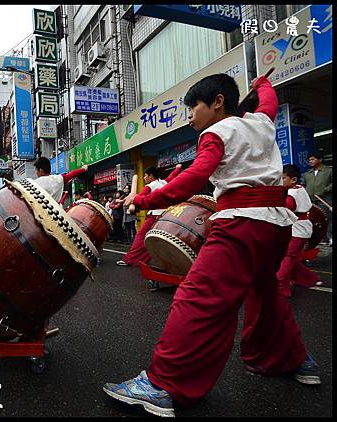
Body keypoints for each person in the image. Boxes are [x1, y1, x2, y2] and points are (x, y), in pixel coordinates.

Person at [103, 73, 319, 417]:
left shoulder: (215, 133)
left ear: (218, 102)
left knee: (198, 298)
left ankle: (161, 386)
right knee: (266, 295)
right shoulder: (262, 123)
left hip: (240, 224)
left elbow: (194, 177)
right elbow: (269, 102)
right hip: (276, 227)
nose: (189, 116)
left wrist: (146, 201)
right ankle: (294, 361)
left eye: (193, 107)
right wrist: (262, 82)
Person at [116, 165, 182, 267]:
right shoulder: (164, 182)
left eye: (145, 175)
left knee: (141, 237)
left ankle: (130, 260)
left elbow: (140, 197)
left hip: (154, 217)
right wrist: (177, 168)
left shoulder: (150, 186)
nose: (144, 178)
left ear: (151, 176)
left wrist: (131, 199)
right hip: (168, 216)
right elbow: (171, 176)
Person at [276, 164, 322, 297]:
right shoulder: (300, 188)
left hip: (296, 229)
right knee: (293, 258)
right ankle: (309, 279)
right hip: (304, 228)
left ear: (293, 180)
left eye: (283, 178)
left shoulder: (291, 194)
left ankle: (280, 287)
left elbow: (286, 210)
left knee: (287, 258)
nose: (281, 181)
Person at [302, 153, 332, 246]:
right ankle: (319, 239)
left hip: (324, 199)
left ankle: (330, 238)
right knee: (314, 219)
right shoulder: (308, 174)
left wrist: (326, 189)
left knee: (327, 218)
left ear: (320, 159)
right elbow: (304, 185)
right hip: (311, 200)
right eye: (309, 160)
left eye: (312, 159)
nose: (310, 161)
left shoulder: (328, 171)